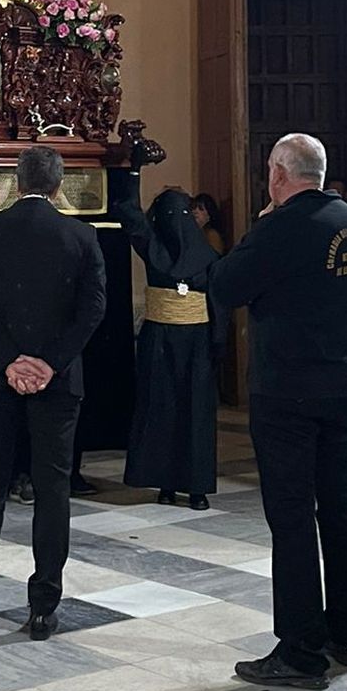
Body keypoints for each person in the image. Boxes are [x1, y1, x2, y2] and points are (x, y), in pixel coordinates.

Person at [211, 132, 347, 691]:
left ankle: (301, 652)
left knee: (293, 516)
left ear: (279, 175)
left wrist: (261, 227)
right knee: (342, 507)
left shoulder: (281, 227)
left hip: (288, 393)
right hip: (342, 384)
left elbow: (224, 285)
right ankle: (346, 633)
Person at [0, 144, 107, 638]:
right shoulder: (82, 236)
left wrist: (7, 360)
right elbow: (93, 309)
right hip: (58, 382)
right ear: (58, 185)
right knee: (52, 490)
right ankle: (43, 605)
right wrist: (49, 363)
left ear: (17, 182)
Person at [118, 184, 225, 508]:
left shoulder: (157, 247)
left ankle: (192, 485)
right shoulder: (198, 254)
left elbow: (131, 214)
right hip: (188, 342)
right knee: (168, 410)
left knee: (183, 412)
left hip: (172, 340)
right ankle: (175, 485)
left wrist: (135, 174)